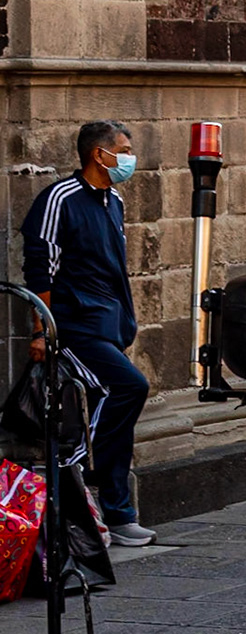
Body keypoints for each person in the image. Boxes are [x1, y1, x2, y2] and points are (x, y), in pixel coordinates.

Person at [21, 121, 153, 547]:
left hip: (107, 326)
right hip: (73, 326)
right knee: (127, 388)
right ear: (100, 154)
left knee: (111, 402)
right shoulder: (61, 199)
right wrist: (43, 330)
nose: (130, 158)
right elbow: (41, 264)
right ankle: (84, 482)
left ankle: (116, 512)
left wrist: (124, 324)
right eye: (125, 149)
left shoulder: (113, 200)